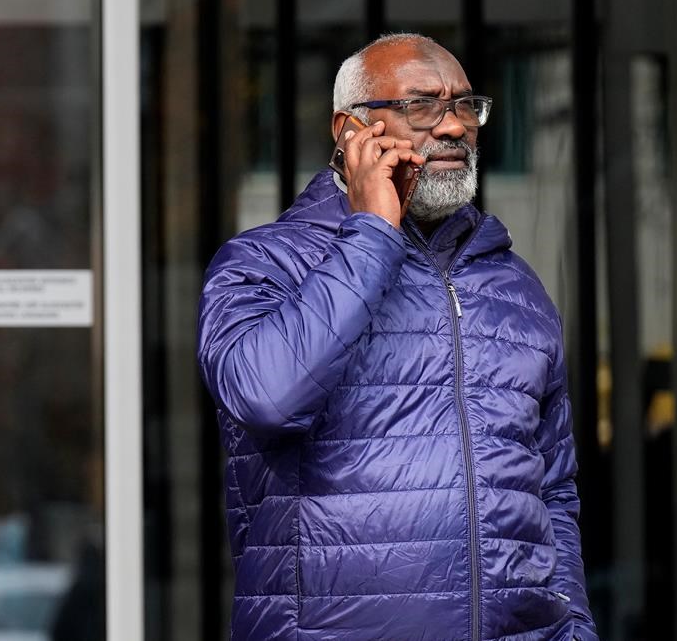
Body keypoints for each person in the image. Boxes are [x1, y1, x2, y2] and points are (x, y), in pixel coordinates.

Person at [197, 33, 598, 640]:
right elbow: (267, 397)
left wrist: (575, 628)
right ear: (349, 130)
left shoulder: (514, 285)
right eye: (421, 105)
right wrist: (372, 233)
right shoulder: (263, 264)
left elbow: (552, 489)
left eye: (465, 105)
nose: (454, 127)